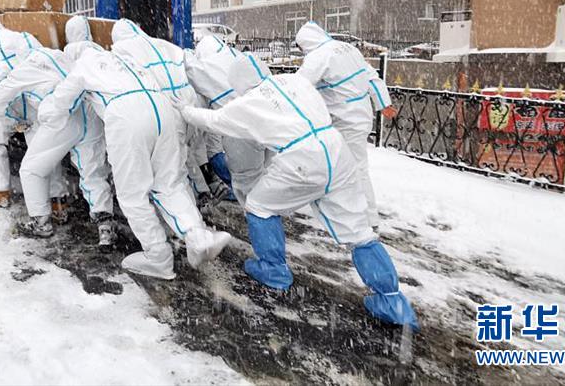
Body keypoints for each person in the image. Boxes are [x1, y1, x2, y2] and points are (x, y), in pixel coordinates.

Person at [178, 53, 418, 331]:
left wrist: (184, 110)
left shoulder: (249, 103)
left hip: (302, 159)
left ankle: (274, 270)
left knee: (259, 206)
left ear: (239, 82)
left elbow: (213, 120)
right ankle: (392, 301)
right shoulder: (295, 80)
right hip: (334, 149)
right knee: (359, 232)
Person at [36, 31, 231, 280]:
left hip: (126, 115)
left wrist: (45, 116)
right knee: (168, 184)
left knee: (133, 194)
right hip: (162, 109)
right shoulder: (124, 59)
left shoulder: (84, 64)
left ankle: (158, 257)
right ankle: (198, 236)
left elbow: (59, 103)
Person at [7, 16, 116, 245]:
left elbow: (62, 90)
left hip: (69, 114)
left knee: (32, 168)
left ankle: (41, 223)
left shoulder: (64, 55)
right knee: (93, 173)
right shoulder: (103, 54)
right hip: (94, 118)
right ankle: (104, 225)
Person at [295, 22, 396, 228]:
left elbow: (298, 86)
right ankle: (344, 209)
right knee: (339, 164)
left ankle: (368, 218)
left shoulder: (319, 56)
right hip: (360, 115)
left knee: (354, 168)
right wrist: (383, 103)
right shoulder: (348, 48)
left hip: (344, 119)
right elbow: (371, 77)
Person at [110, 19, 219, 200]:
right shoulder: (165, 46)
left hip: (167, 110)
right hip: (189, 103)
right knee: (187, 152)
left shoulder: (123, 52)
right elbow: (194, 69)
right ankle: (204, 191)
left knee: (174, 170)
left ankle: (192, 211)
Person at [0, 19, 64, 208]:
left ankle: (0, 192)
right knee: (43, 147)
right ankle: (56, 201)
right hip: (32, 92)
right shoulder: (22, 37)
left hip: (5, 94)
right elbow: (39, 56)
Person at [184, 35, 270, 204]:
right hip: (265, 116)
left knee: (218, 155)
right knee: (263, 166)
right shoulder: (236, 56)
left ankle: (241, 193)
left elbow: (186, 64)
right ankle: (260, 192)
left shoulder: (205, 68)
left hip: (233, 120)